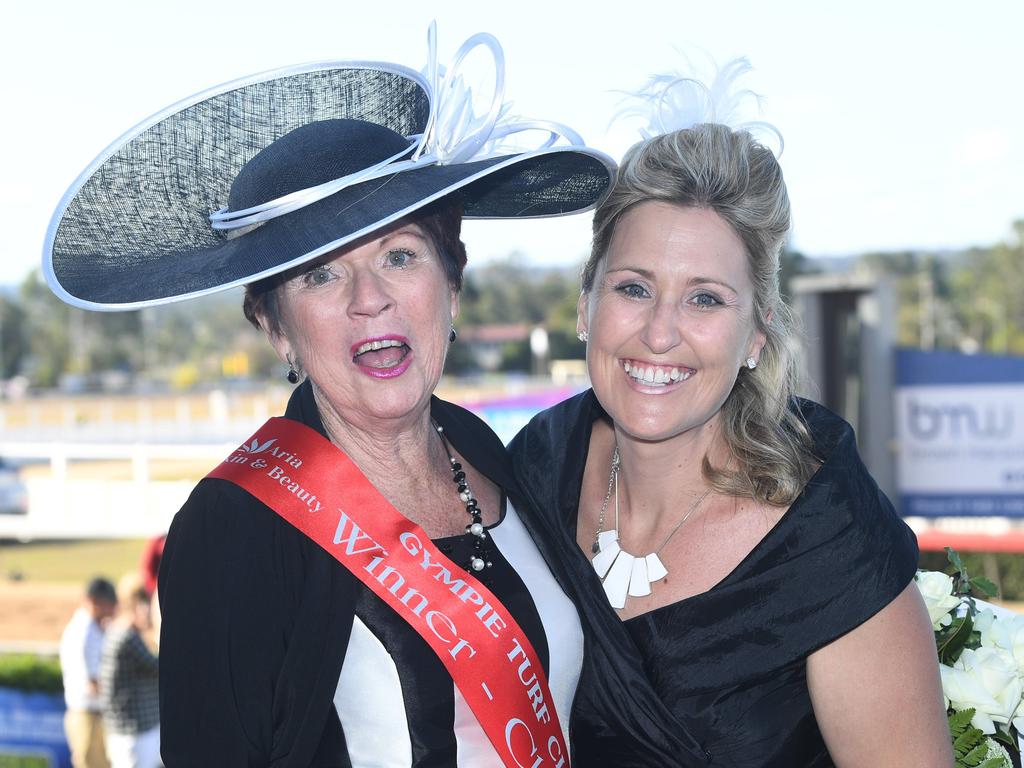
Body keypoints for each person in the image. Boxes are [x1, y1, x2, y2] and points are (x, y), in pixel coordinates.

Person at [44, 27, 614, 767]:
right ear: (275, 328)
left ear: (452, 285)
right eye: (321, 275)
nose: (369, 299)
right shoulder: (233, 528)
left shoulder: (481, 450)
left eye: (400, 255)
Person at [509, 64, 953, 767]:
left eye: (706, 299)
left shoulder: (828, 540)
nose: (660, 333)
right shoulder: (536, 469)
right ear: (585, 305)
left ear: (756, 334)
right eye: (634, 288)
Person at [99, 574, 160, 768]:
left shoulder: (117, 631)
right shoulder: (127, 637)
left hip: (129, 731)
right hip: (135, 733)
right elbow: (159, 668)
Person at [59, 576, 116, 768]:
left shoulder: (93, 627)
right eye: (108, 604)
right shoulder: (85, 631)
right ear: (94, 602)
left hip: (93, 715)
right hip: (89, 716)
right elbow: (93, 685)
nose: (112, 610)